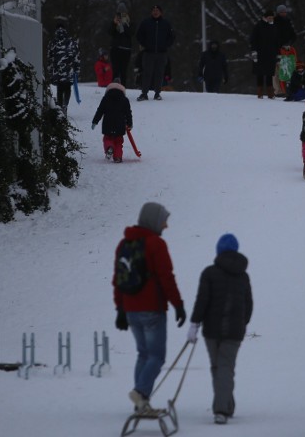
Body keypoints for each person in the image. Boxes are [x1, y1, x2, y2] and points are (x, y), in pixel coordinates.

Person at [113, 202, 187, 415]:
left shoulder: (124, 244)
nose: (166, 225)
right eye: (164, 220)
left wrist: (120, 309)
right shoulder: (156, 244)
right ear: (154, 220)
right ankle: (141, 393)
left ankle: (141, 404)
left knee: (143, 355)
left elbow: (118, 278)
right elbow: (166, 277)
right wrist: (178, 305)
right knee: (157, 356)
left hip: (131, 309)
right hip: (152, 309)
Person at [186, 234, 253, 425]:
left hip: (212, 331)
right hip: (234, 332)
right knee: (224, 368)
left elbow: (202, 300)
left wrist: (194, 324)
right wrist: (243, 322)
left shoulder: (209, 273)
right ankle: (227, 405)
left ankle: (221, 410)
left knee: (219, 368)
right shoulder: (243, 275)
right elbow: (249, 304)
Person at [135, 5, 175, 101]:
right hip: (148, 53)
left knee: (159, 73)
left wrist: (166, 45)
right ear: (151, 12)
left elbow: (172, 36)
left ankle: (157, 93)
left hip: (161, 53)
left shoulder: (166, 23)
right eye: (153, 10)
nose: (155, 12)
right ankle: (144, 93)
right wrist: (145, 44)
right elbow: (139, 35)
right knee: (146, 73)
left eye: (157, 10)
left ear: (161, 12)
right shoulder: (145, 23)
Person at [92, 78, 133, 163]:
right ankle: (117, 157)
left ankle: (109, 147)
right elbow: (128, 113)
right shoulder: (125, 99)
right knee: (118, 142)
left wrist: (95, 121)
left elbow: (100, 110)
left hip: (108, 123)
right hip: (120, 124)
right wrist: (130, 123)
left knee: (107, 138)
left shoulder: (105, 98)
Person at [47, 17, 80, 113]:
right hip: (69, 71)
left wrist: (50, 71)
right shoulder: (71, 42)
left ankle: (60, 107)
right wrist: (76, 70)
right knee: (67, 88)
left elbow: (50, 58)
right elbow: (76, 57)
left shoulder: (52, 43)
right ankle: (65, 105)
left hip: (57, 71)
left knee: (60, 89)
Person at [249, 10, 280, 99]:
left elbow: (277, 41)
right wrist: (254, 52)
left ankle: (270, 93)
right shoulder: (258, 26)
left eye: (272, 18)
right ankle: (260, 93)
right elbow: (253, 40)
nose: (270, 19)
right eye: (269, 17)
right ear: (265, 17)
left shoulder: (274, 27)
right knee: (260, 73)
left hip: (271, 54)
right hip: (260, 53)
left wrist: (278, 54)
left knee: (270, 73)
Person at [109, 2, 134, 85]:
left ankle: (123, 87)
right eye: (119, 13)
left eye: (123, 13)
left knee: (123, 71)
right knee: (115, 70)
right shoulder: (114, 21)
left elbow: (131, 33)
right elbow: (110, 32)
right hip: (115, 48)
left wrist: (125, 24)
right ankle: (114, 88)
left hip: (126, 49)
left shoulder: (130, 22)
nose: (121, 15)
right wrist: (114, 23)